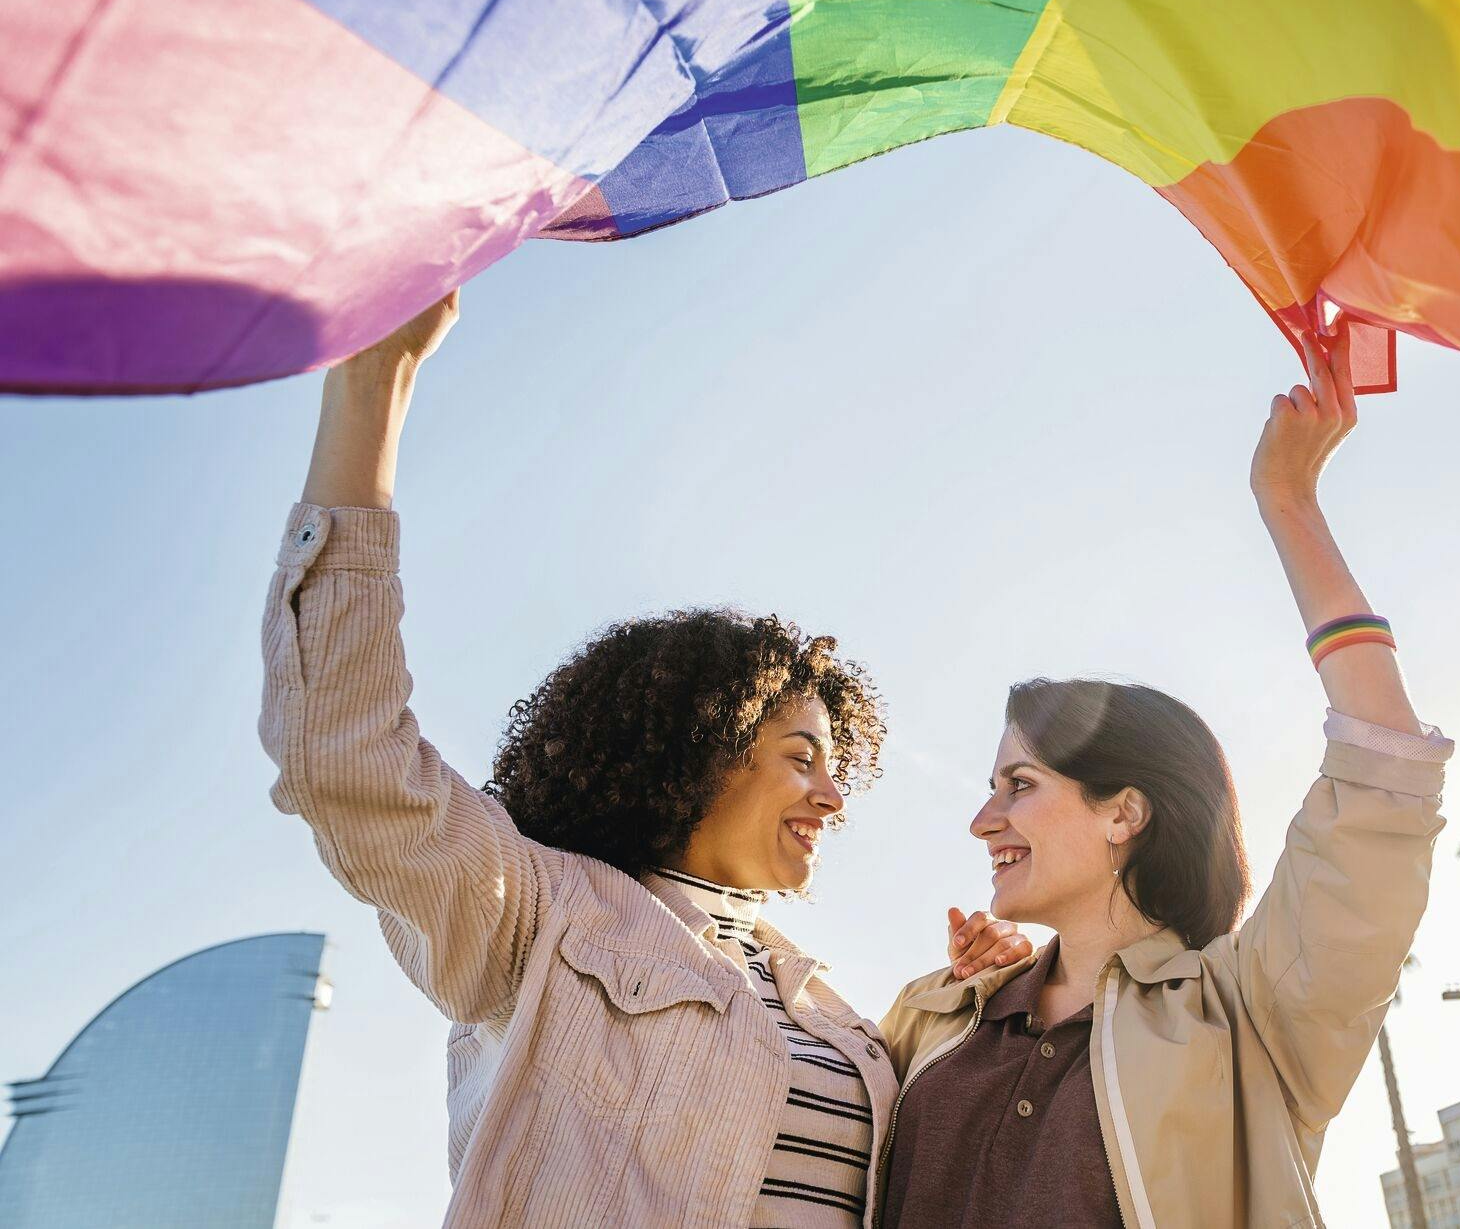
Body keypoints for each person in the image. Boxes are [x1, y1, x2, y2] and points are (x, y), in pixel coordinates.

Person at [259, 291, 1027, 1228]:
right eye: (800, 758)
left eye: (836, 768)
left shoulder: (835, 1010)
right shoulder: (540, 917)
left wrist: (957, 1002)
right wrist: (375, 383)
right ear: (698, 752)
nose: (832, 796)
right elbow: (347, 754)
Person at [877, 321, 1453, 1228]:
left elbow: (1383, 766)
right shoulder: (936, 1019)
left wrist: (1288, 502)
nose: (983, 820)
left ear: (1125, 813)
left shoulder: (1251, 1011)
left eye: (1019, 783)